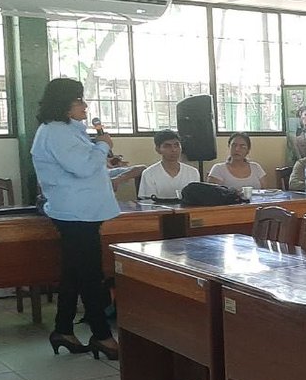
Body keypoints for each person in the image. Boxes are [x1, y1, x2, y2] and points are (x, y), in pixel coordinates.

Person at [30, 77, 121, 360]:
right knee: (91, 275)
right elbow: (82, 167)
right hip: (75, 213)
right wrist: (103, 145)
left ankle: (63, 330)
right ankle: (102, 335)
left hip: (83, 211)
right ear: (64, 103)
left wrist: (101, 153)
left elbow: (85, 161)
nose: (85, 105)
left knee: (73, 273)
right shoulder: (54, 131)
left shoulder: (70, 128)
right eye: (79, 100)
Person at [138, 130, 199, 199]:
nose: (173, 150)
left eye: (176, 145)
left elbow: (195, 199)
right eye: (167, 146)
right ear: (158, 149)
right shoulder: (149, 173)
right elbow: (148, 203)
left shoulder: (193, 172)